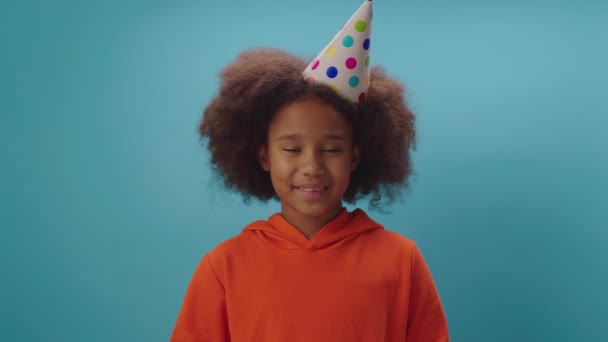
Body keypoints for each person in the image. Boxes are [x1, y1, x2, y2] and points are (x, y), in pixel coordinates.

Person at [171, 1, 449, 341]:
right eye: (291, 149)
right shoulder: (224, 266)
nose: (312, 167)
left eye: (331, 149)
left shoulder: (401, 260)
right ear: (263, 156)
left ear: (355, 158)